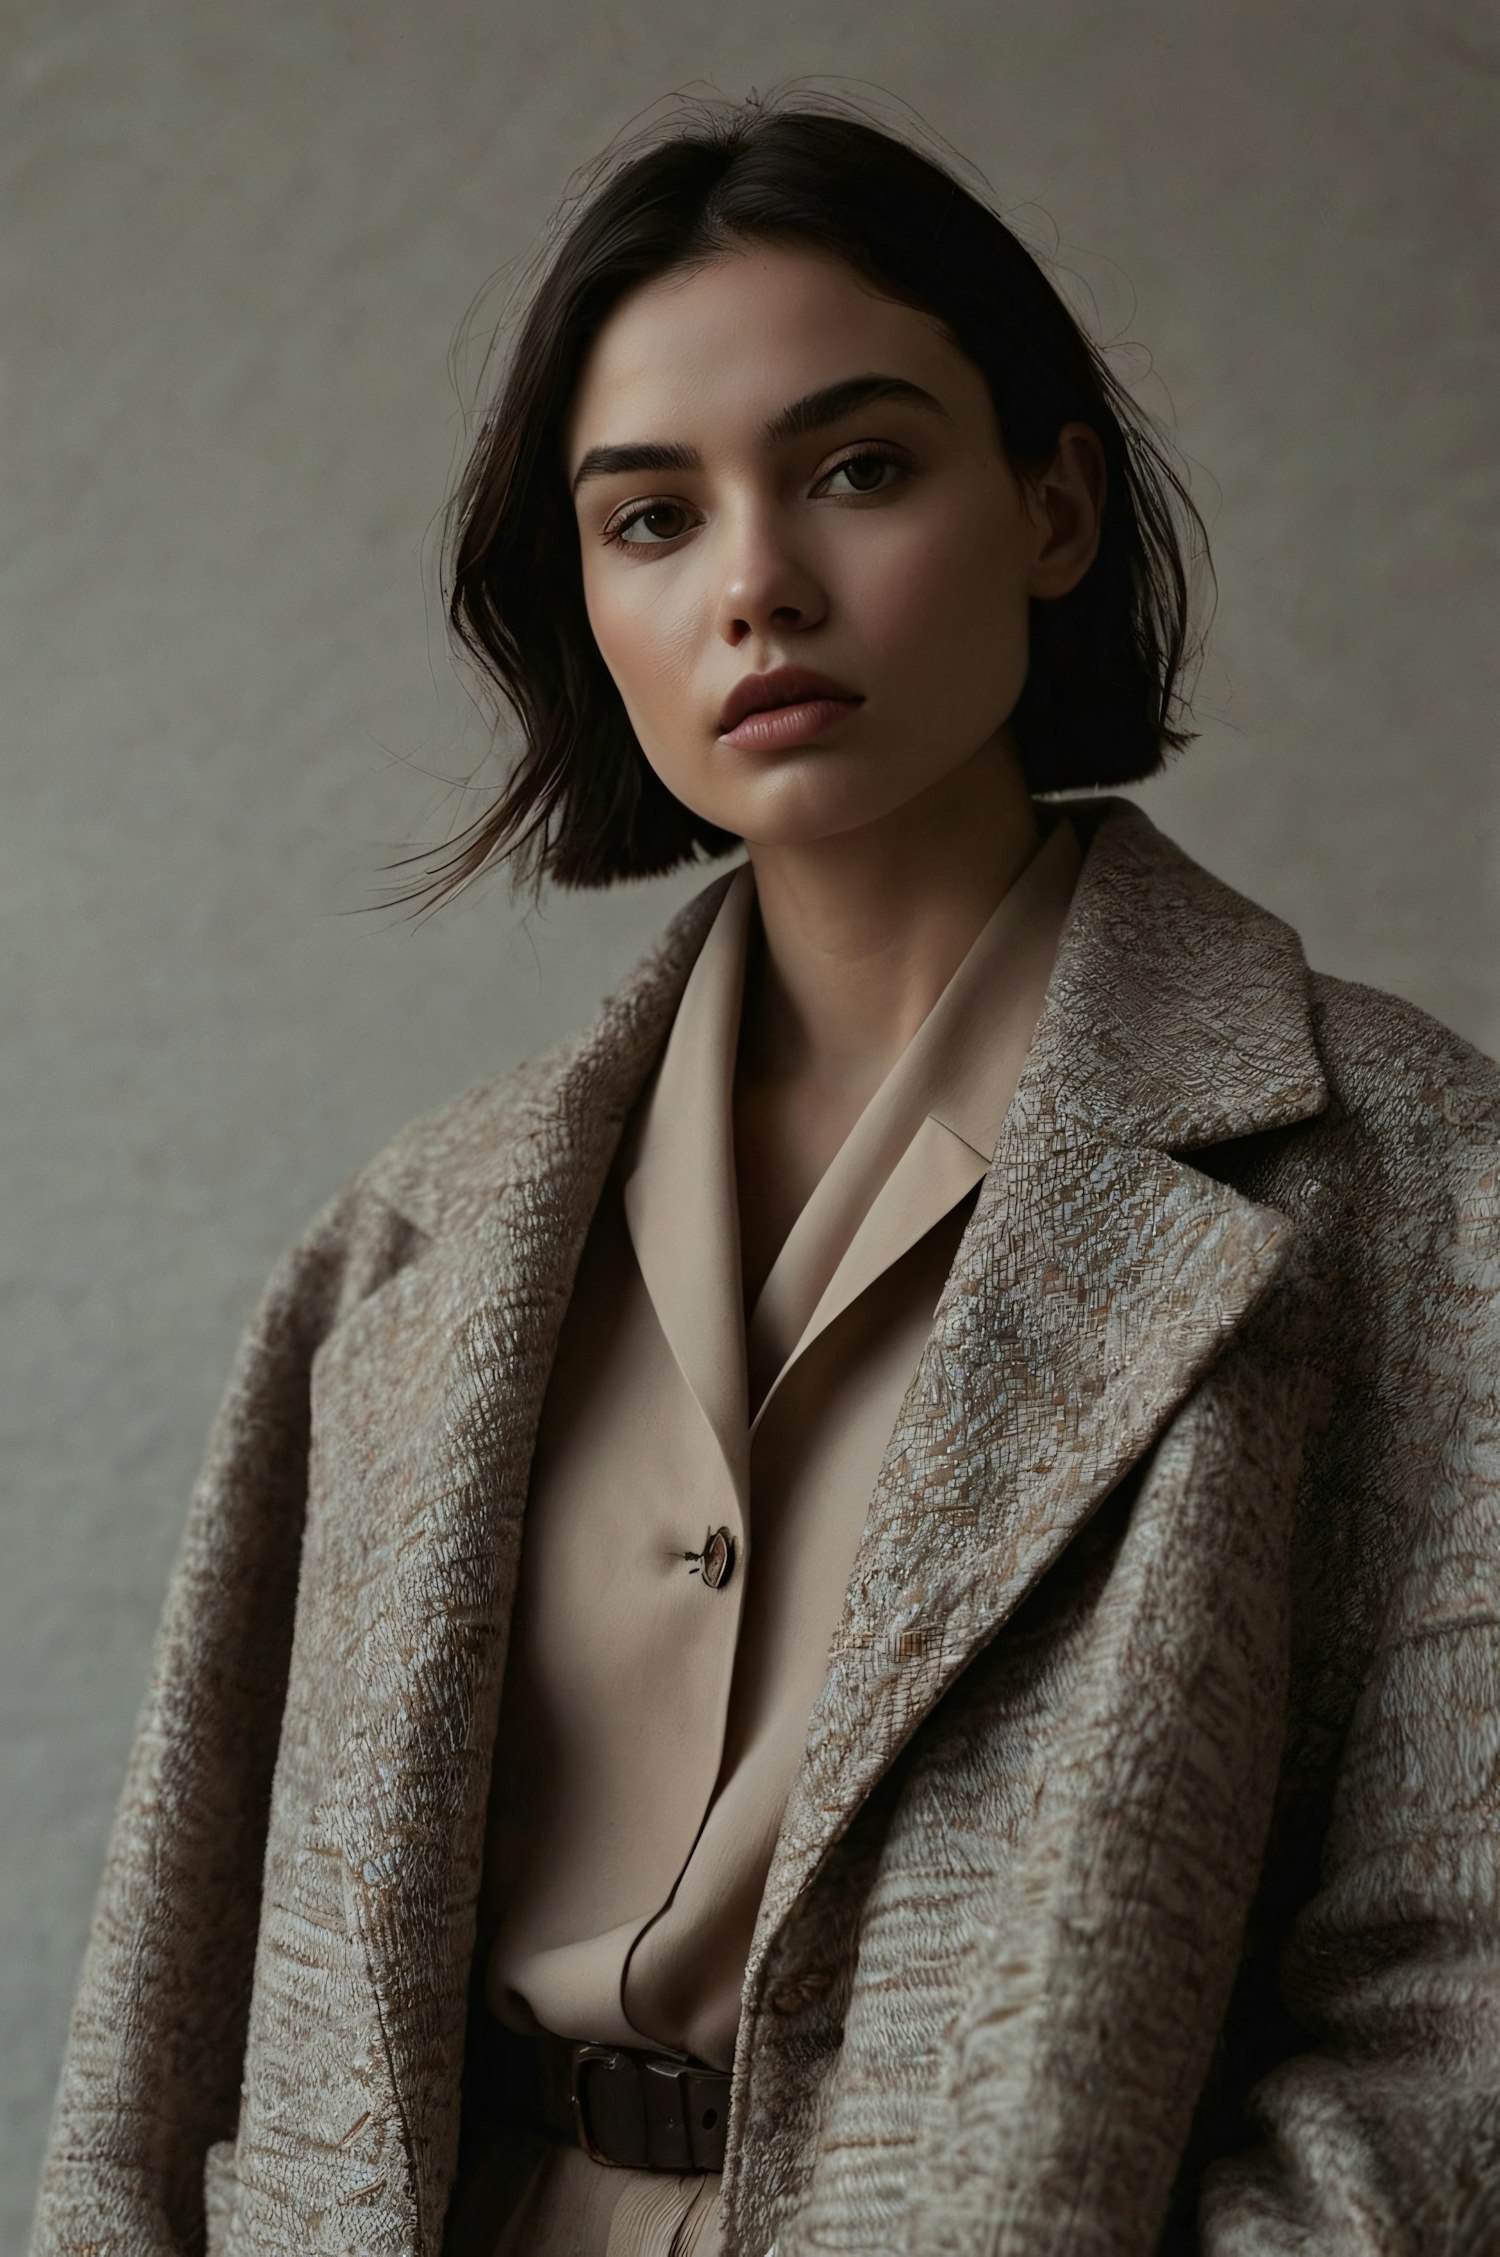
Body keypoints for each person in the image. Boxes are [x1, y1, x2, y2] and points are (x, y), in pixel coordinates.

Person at [29, 90, 1500, 2257]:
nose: (758, 587)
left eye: (861, 468)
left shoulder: (1405, 1185)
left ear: (1056, 506)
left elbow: (1457, 2001)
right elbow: (175, 2001)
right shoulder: (405, 1251)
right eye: (650, 519)